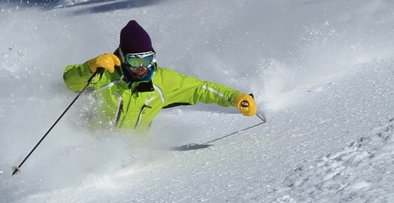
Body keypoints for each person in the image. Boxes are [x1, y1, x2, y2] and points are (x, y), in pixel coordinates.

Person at [63, 20, 257, 133]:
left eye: (147, 59)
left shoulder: (162, 81)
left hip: (131, 158)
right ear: (122, 58)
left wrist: (235, 97)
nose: (142, 68)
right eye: (134, 61)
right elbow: (70, 82)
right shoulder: (105, 75)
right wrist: (89, 67)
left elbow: (200, 89)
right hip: (89, 147)